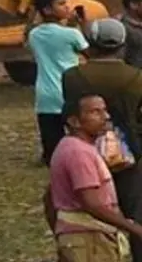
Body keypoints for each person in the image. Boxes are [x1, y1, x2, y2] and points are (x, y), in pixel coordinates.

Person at [62, 18, 142, 262]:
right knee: (134, 210)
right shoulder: (136, 76)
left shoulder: (73, 76)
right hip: (131, 154)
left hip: (85, 151)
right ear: (122, 45)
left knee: (88, 208)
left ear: (91, 44)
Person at [47, 93, 142, 262]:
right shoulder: (78, 153)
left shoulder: (76, 147)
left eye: (104, 111)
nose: (106, 117)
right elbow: (92, 204)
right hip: (88, 239)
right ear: (74, 121)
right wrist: (133, 228)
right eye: (95, 112)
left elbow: (48, 197)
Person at [29, 0, 89, 164]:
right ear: (47, 9)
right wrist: (81, 25)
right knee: (79, 138)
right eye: (61, 3)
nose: (67, 7)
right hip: (70, 90)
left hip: (46, 94)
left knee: (52, 145)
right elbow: (90, 53)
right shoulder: (72, 34)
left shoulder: (35, 34)